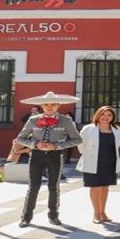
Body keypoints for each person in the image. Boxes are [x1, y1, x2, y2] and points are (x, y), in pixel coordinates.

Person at [16, 92, 82, 228]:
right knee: (33, 186)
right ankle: (26, 217)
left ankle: (53, 216)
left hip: (55, 155)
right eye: (46, 104)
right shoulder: (33, 120)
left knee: (53, 186)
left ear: (58, 105)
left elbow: (78, 139)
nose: (49, 107)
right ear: (42, 105)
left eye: (53, 104)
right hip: (36, 155)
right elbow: (20, 138)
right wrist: (35, 144)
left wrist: (57, 146)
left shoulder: (66, 120)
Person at [76, 106, 120, 224]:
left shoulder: (117, 129)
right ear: (98, 115)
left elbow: (118, 145)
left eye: (109, 115)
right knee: (95, 187)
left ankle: (103, 212)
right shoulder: (88, 129)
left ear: (113, 118)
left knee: (105, 187)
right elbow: (81, 145)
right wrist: (87, 155)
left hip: (110, 161)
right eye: (103, 114)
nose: (105, 117)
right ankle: (96, 213)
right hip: (93, 161)